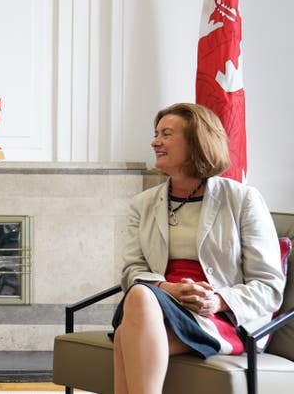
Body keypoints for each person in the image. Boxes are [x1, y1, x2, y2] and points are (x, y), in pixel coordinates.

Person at [111, 103, 285, 394]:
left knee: (126, 334)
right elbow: (131, 272)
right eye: (156, 134)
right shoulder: (142, 204)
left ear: (196, 142)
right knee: (140, 296)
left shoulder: (242, 199)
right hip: (159, 304)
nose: (155, 142)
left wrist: (217, 299)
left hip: (224, 316)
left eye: (166, 134)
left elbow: (270, 286)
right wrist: (170, 289)